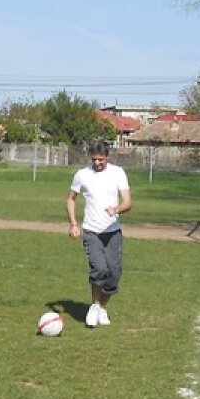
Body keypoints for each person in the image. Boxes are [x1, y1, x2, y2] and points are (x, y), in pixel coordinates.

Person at [66, 140, 132, 328]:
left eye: (101, 159)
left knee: (114, 274)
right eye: (94, 159)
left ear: (107, 157)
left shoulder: (118, 173)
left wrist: (117, 208)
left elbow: (128, 202)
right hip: (91, 231)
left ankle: (100, 306)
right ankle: (95, 306)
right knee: (100, 269)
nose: (97, 163)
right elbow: (71, 199)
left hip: (112, 232)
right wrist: (73, 224)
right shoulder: (82, 175)